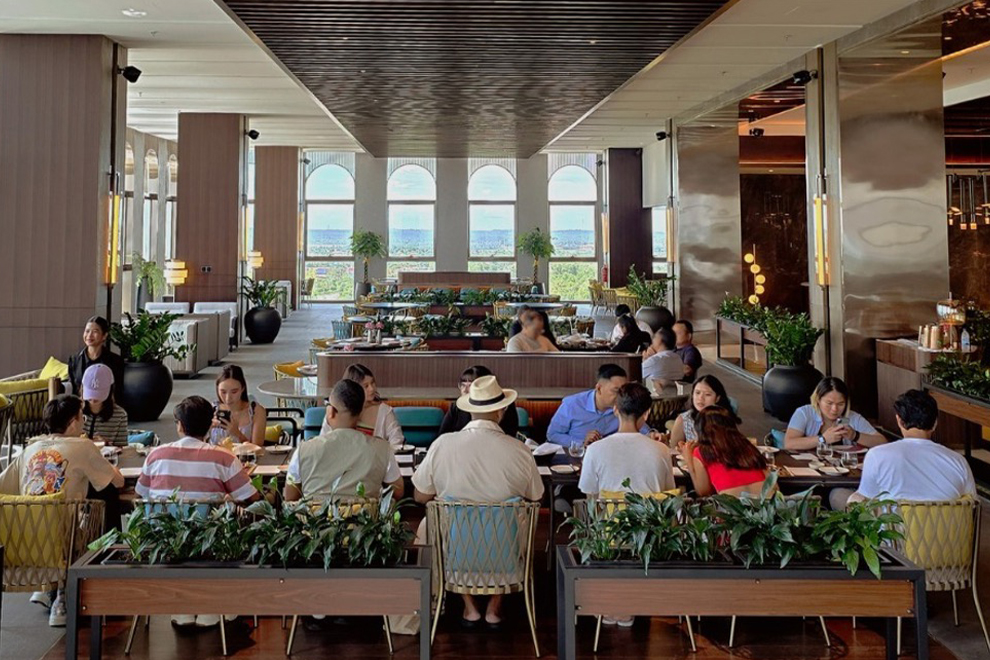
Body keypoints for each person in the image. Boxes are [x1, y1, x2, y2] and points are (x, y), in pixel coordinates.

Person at [413, 375, 544, 628]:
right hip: (504, 554)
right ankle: (494, 607)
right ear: (501, 411)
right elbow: (537, 497)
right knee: (520, 516)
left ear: (469, 409)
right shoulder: (519, 450)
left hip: (454, 555)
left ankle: (469, 606)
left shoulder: (442, 445)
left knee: (434, 519)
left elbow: (420, 496)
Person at [0, 394, 124, 627]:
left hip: (23, 541)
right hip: (65, 540)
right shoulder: (83, 446)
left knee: (50, 515)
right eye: (82, 416)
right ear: (74, 421)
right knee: (101, 502)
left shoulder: (30, 449)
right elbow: (117, 481)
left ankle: (49, 586)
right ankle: (65, 593)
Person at [137, 396, 259, 628]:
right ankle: (215, 604)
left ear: (180, 426)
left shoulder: (156, 455)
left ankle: (183, 607)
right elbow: (250, 498)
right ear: (210, 425)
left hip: (164, 540)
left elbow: (140, 494)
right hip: (210, 541)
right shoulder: (224, 457)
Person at [830, 390, 975, 510]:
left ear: (899, 420)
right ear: (935, 423)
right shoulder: (959, 461)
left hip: (894, 536)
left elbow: (863, 500)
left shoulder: (878, 455)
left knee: (838, 496)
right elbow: (973, 505)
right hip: (947, 536)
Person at [285, 379, 404, 501]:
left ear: (331, 412)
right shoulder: (382, 449)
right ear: (361, 413)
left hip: (316, 513)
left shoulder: (303, 451)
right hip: (365, 513)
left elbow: (289, 497)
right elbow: (398, 491)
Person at [579, 383, 675, 498]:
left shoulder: (594, 449)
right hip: (650, 510)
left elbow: (590, 495)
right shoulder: (662, 450)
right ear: (646, 414)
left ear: (615, 409)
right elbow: (668, 494)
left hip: (609, 510)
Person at [547, 364, 651, 450]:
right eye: (616, 391)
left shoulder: (624, 405)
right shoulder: (572, 404)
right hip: (578, 457)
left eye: (623, 390)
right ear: (599, 388)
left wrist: (652, 434)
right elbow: (553, 435)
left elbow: (641, 427)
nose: (621, 395)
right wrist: (581, 442)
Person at [679, 406, 769, 497]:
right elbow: (768, 477)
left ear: (700, 430)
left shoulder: (702, 451)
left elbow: (703, 492)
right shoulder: (746, 445)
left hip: (733, 504)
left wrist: (689, 460)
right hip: (768, 502)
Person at [784, 377, 886, 451]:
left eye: (840, 404)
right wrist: (823, 439)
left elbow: (882, 442)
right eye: (829, 403)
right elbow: (789, 443)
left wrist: (855, 436)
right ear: (818, 400)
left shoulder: (851, 417)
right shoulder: (805, 413)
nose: (834, 409)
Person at [438, 365, 519, 437]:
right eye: (463, 385)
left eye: (470, 385)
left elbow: (509, 437)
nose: (465, 390)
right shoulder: (456, 407)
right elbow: (442, 436)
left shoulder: (504, 406)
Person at [667, 375, 734, 447]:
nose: (700, 398)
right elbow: (674, 449)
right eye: (697, 393)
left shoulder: (723, 418)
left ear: (717, 398)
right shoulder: (684, 419)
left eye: (707, 394)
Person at [208, 365, 267, 447]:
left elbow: (257, 448)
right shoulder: (211, 409)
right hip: (215, 454)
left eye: (234, 392)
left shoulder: (256, 411)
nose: (228, 398)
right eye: (223, 392)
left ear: (242, 388)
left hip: (245, 455)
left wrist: (237, 433)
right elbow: (196, 443)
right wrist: (206, 430)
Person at [67, 316, 125, 395]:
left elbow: (117, 390)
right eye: (87, 331)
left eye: (95, 331)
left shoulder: (116, 361)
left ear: (104, 336)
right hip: (80, 402)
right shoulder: (74, 360)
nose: (89, 335)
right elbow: (72, 389)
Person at [81, 364, 129, 446]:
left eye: (98, 394)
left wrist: (106, 444)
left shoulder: (120, 415)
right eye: (90, 393)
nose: (93, 399)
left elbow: (122, 448)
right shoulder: (73, 411)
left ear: (110, 390)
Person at [641, 327, 683, 394]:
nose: (652, 339)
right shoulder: (678, 359)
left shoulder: (654, 361)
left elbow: (635, 375)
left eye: (655, 337)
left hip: (654, 397)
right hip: (676, 397)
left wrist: (645, 360)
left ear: (659, 341)